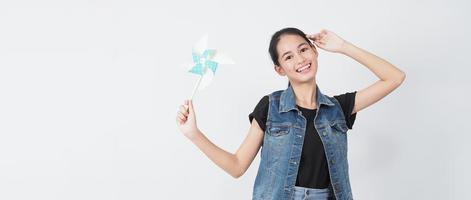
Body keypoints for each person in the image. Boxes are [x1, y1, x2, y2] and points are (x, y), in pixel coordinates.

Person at [176, 27, 406, 200]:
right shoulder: (270, 107)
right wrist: (194, 134)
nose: (300, 60)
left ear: (315, 52)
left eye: (303, 49)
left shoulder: (338, 108)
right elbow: (237, 166)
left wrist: (343, 46)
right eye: (288, 57)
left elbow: (394, 77)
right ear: (279, 69)